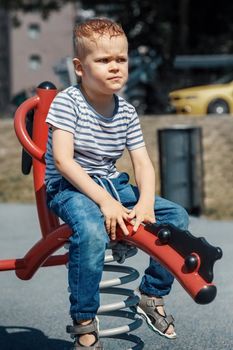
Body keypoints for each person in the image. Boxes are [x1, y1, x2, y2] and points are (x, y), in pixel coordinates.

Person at [45, 18, 189, 349]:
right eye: (104, 60)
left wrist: (145, 203)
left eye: (121, 60)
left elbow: (142, 163)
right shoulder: (68, 103)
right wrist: (107, 204)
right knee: (92, 231)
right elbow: (64, 162)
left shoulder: (125, 111)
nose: (115, 68)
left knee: (176, 218)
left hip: (111, 182)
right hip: (70, 188)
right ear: (80, 67)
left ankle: (152, 294)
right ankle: (83, 320)